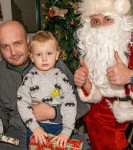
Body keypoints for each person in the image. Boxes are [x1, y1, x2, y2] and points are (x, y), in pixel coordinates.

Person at [0, 20, 89, 150]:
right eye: (5, 47)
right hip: (19, 133)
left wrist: (54, 113)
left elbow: (82, 102)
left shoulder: (53, 65)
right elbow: (2, 112)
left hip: (59, 127)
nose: (13, 52)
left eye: (17, 44)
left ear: (27, 41)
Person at [74, 0, 133, 149]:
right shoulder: (91, 43)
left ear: (120, 18)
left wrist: (132, 77)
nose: (101, 26)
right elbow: (97, 93)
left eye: (107, 19)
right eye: (95, 21)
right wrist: (87, 84)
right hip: (110, 101)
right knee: (94, 116)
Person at [17, 31, 77, 148]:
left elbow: (70, 103)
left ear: (56, 55)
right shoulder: (29, 80)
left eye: (49, 53)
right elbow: (22, 103)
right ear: (32, 57)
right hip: (36, 127)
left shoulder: (61, 79)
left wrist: (66, 131)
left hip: (60, 127)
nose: (44, 58)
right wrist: (35, 127)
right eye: (39, 54)